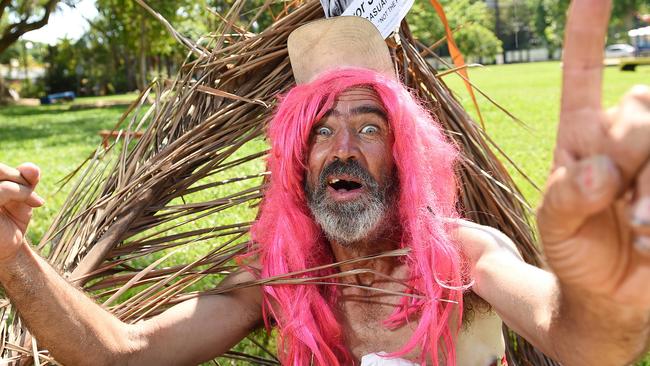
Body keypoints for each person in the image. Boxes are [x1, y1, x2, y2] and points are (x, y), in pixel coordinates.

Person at [0, 1, 649, 365]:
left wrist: (607, 300)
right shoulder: (276, 278)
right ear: (294, 160)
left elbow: (585, 344)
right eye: (319, 131)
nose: (343, 149)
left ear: (404, 153)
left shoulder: (464, 256)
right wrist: (14, 257)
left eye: (369, 129)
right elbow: (123, 356)